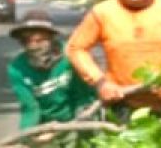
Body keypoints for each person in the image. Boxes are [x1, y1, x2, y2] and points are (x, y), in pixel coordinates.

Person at [7, 9, 97, 137]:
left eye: (39, 40)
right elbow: (30, 107)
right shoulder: (17, 68)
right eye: (27, 41)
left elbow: (83, 97)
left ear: (51, 38)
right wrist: (27, 136)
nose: (33, 46)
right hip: (44, 126)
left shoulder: (71, 56)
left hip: (76, 119)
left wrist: (76, 126)